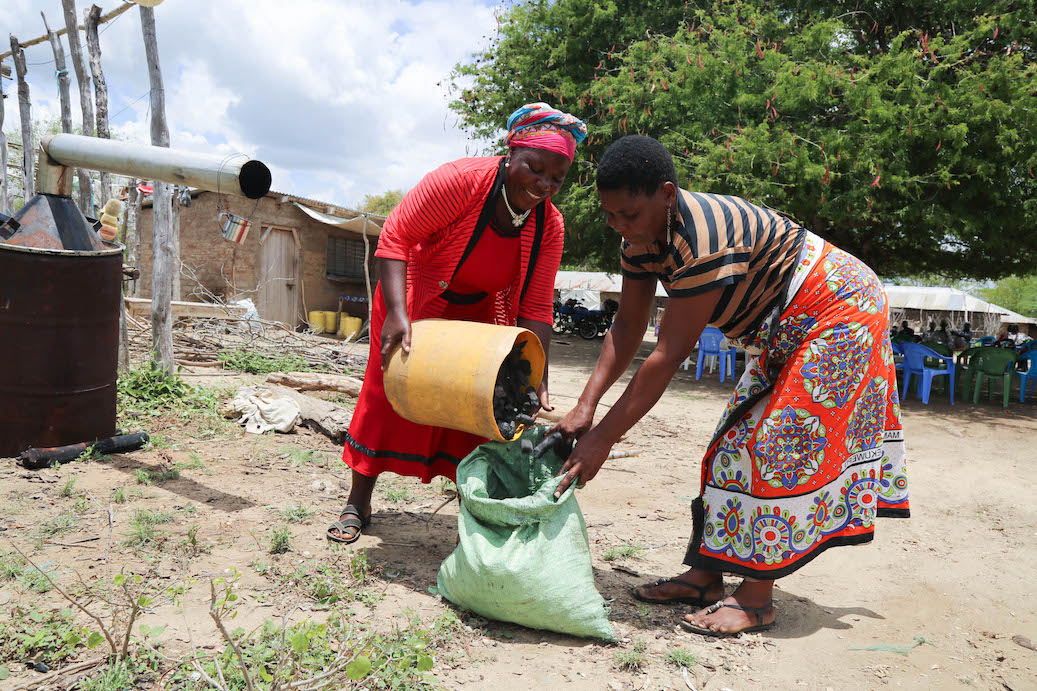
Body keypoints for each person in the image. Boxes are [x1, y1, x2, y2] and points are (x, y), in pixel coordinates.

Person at [551, 135, 909, 636]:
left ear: (667, 194)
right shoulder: (638, 239)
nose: (619, 226)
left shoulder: (702, 239)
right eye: (610, 214)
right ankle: (705, 577)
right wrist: (583, 408)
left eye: (628, 214)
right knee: (730, 445)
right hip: (781, 326)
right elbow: (628, 328)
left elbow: (667, 354)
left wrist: (602, 439)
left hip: (839, 309)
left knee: (777, 443)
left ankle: (758, 597)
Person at [327, 103, 587, 543]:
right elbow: (396, 236)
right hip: (411, 298)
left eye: (556, 178)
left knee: (479, 404)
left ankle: (473, 507)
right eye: (535, 168)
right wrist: (397, 312)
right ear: (511, 153)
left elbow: (538, 304)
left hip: (479, 313)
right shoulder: (462, 181)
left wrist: (536, 372)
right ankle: (358, 501)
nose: (544, 184)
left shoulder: (550, 225)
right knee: (384, 394)